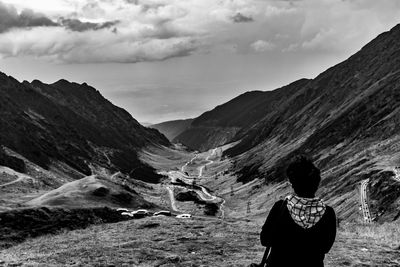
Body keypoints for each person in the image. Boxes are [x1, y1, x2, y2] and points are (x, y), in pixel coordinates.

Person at [256, 155, 336, 267]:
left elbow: (265, 240)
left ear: (294, 184)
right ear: (316, 184)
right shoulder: (328, 213)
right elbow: (326, 247)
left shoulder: (281, 207)